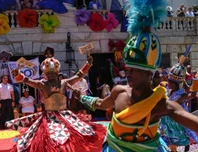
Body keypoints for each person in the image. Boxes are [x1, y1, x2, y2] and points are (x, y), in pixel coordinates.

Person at [77, 0, 198, 151]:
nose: (129, 73)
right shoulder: (118, 91)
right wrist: (81, 96)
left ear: (149, 73)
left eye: (135, 69)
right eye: (128, 68)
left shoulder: (160, 105)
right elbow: (102, 104)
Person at [6, 56, 105, 151]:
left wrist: (88, 64)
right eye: (48, 74)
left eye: (53, 73)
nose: (51, 75)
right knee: (48, 142)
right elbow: (27, 80)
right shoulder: (42, 84)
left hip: (65, 116)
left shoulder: (64, 83)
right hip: (49, 118)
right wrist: (17, 74)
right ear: (45, 74)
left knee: (75, 137)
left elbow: (78, 76)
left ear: (57, 72)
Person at [159, 57, 198, 152]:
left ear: (175, 83)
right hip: (166, 124)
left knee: (183, 142)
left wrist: (195, 79)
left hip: (177, 124)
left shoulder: (181, 95)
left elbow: (192, 94)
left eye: (170, 81)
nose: (168, 82)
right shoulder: (168, 90)